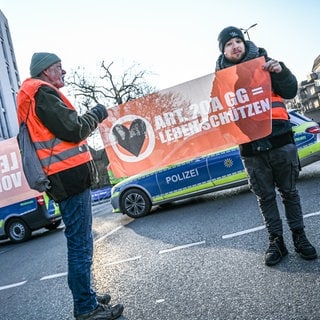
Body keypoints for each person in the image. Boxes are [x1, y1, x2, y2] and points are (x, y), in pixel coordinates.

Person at [16, 52, 124, 319]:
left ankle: (85, 295)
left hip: (63, 178)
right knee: (80, 244)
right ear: (45, 71)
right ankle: (86, 308)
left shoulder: (35, 94)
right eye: (59, 68)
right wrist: (97, 113)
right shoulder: (42, 93)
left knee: (80, 242)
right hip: (68, 178)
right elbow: (74, 129)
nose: (63, 72)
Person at [215, 27, 317, 266]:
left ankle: (300, 237)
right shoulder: (219, 82)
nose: (235, 46)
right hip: (251, 150)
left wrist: (280, 71)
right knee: (266, 198)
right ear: (223, 50)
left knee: (290, 193)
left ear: (245, 43)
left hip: (281, 141)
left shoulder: (268, 63)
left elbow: (290, 90)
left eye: (238, 40)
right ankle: (276, 242)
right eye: (229, 44)